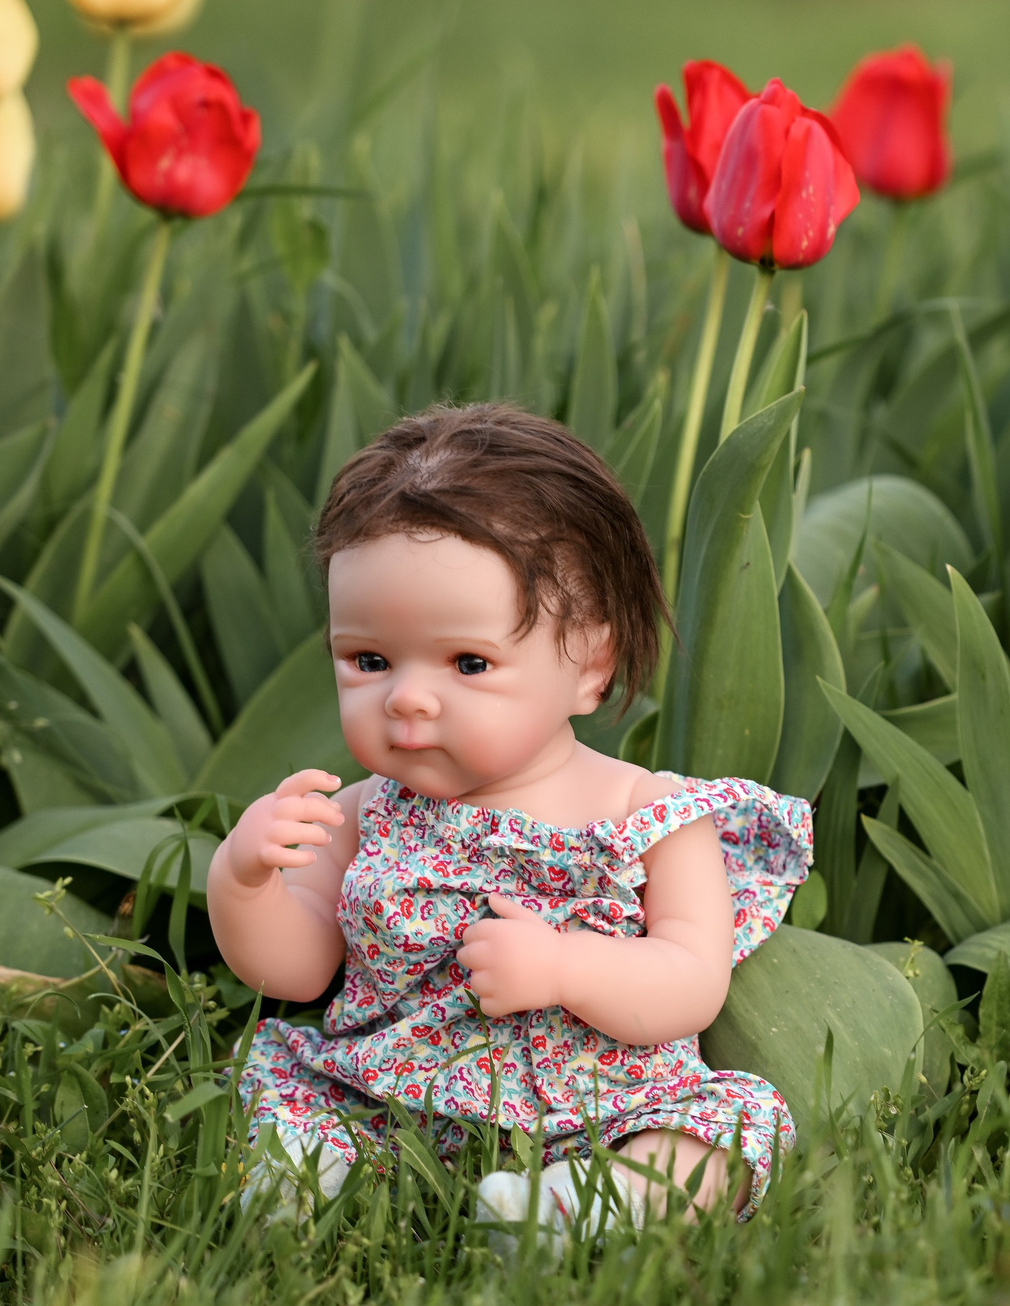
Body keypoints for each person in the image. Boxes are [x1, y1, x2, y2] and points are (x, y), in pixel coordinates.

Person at [212, 402, 810, 1241]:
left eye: (469, 663)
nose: (408, 696)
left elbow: (689, 982)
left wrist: (564, 967)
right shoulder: (363, 815)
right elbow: (298, 971)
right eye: (370, 660)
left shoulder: (651, 817)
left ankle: (586, 1206)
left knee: (735, 1128)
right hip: (390, 1095)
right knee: (305, 1093)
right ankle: (312, 1175)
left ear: (589, 667)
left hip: (608, 1108)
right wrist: (244, 879)